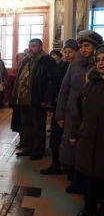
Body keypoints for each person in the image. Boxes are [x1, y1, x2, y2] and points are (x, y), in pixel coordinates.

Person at [55, 30, 102, 192]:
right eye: (81, 46)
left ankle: (89, 186)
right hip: (72, 113)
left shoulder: (99, 66)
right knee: (72, 145)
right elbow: (64, 90)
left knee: (90, 150)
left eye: (87, 46)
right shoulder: (74, 65)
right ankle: (76, 179)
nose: (83, 49)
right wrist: (60, 114)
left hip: (93, 117)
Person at [70, 45, 104, 216]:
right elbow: (77, 113)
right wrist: (75, 133)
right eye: (98, 60)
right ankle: (89, 206)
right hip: (88, 137)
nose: (101, 63)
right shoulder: (89, 86)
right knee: (87, 175)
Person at [11, 38, 56, 161]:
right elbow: (20, 79)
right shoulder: (26, 60)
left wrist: (45, 99)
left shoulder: (47, 60)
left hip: (37, 98)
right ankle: (28, 147)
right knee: (27, 125)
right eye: (30, 46)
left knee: (38, 126)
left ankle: (38, 150)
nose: (31, 48)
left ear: (40, 47)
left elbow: (50, 82)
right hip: (25, 98)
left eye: (34, 46)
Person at [40, 41, 78, 175]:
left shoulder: (79, 68)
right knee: (55, 138)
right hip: (58, 107)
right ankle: (55, 164)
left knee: (72, 139)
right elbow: (54, 86)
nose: (67, 55)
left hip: (74, 110)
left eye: (71, 52)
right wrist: (51, 106)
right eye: (65, 52)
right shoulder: (61, 67)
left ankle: (72, 167)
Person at [5, 52, 27, 148]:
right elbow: (9, 87)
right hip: (16, 100)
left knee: (26, 121)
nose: (20, 60)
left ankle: (28, 140)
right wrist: (6, 99)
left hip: (26, 100)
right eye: (18, 59)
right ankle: (22, 139)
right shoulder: (14, 72)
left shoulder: (30, 70)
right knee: (18, 122)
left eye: (22, 58)